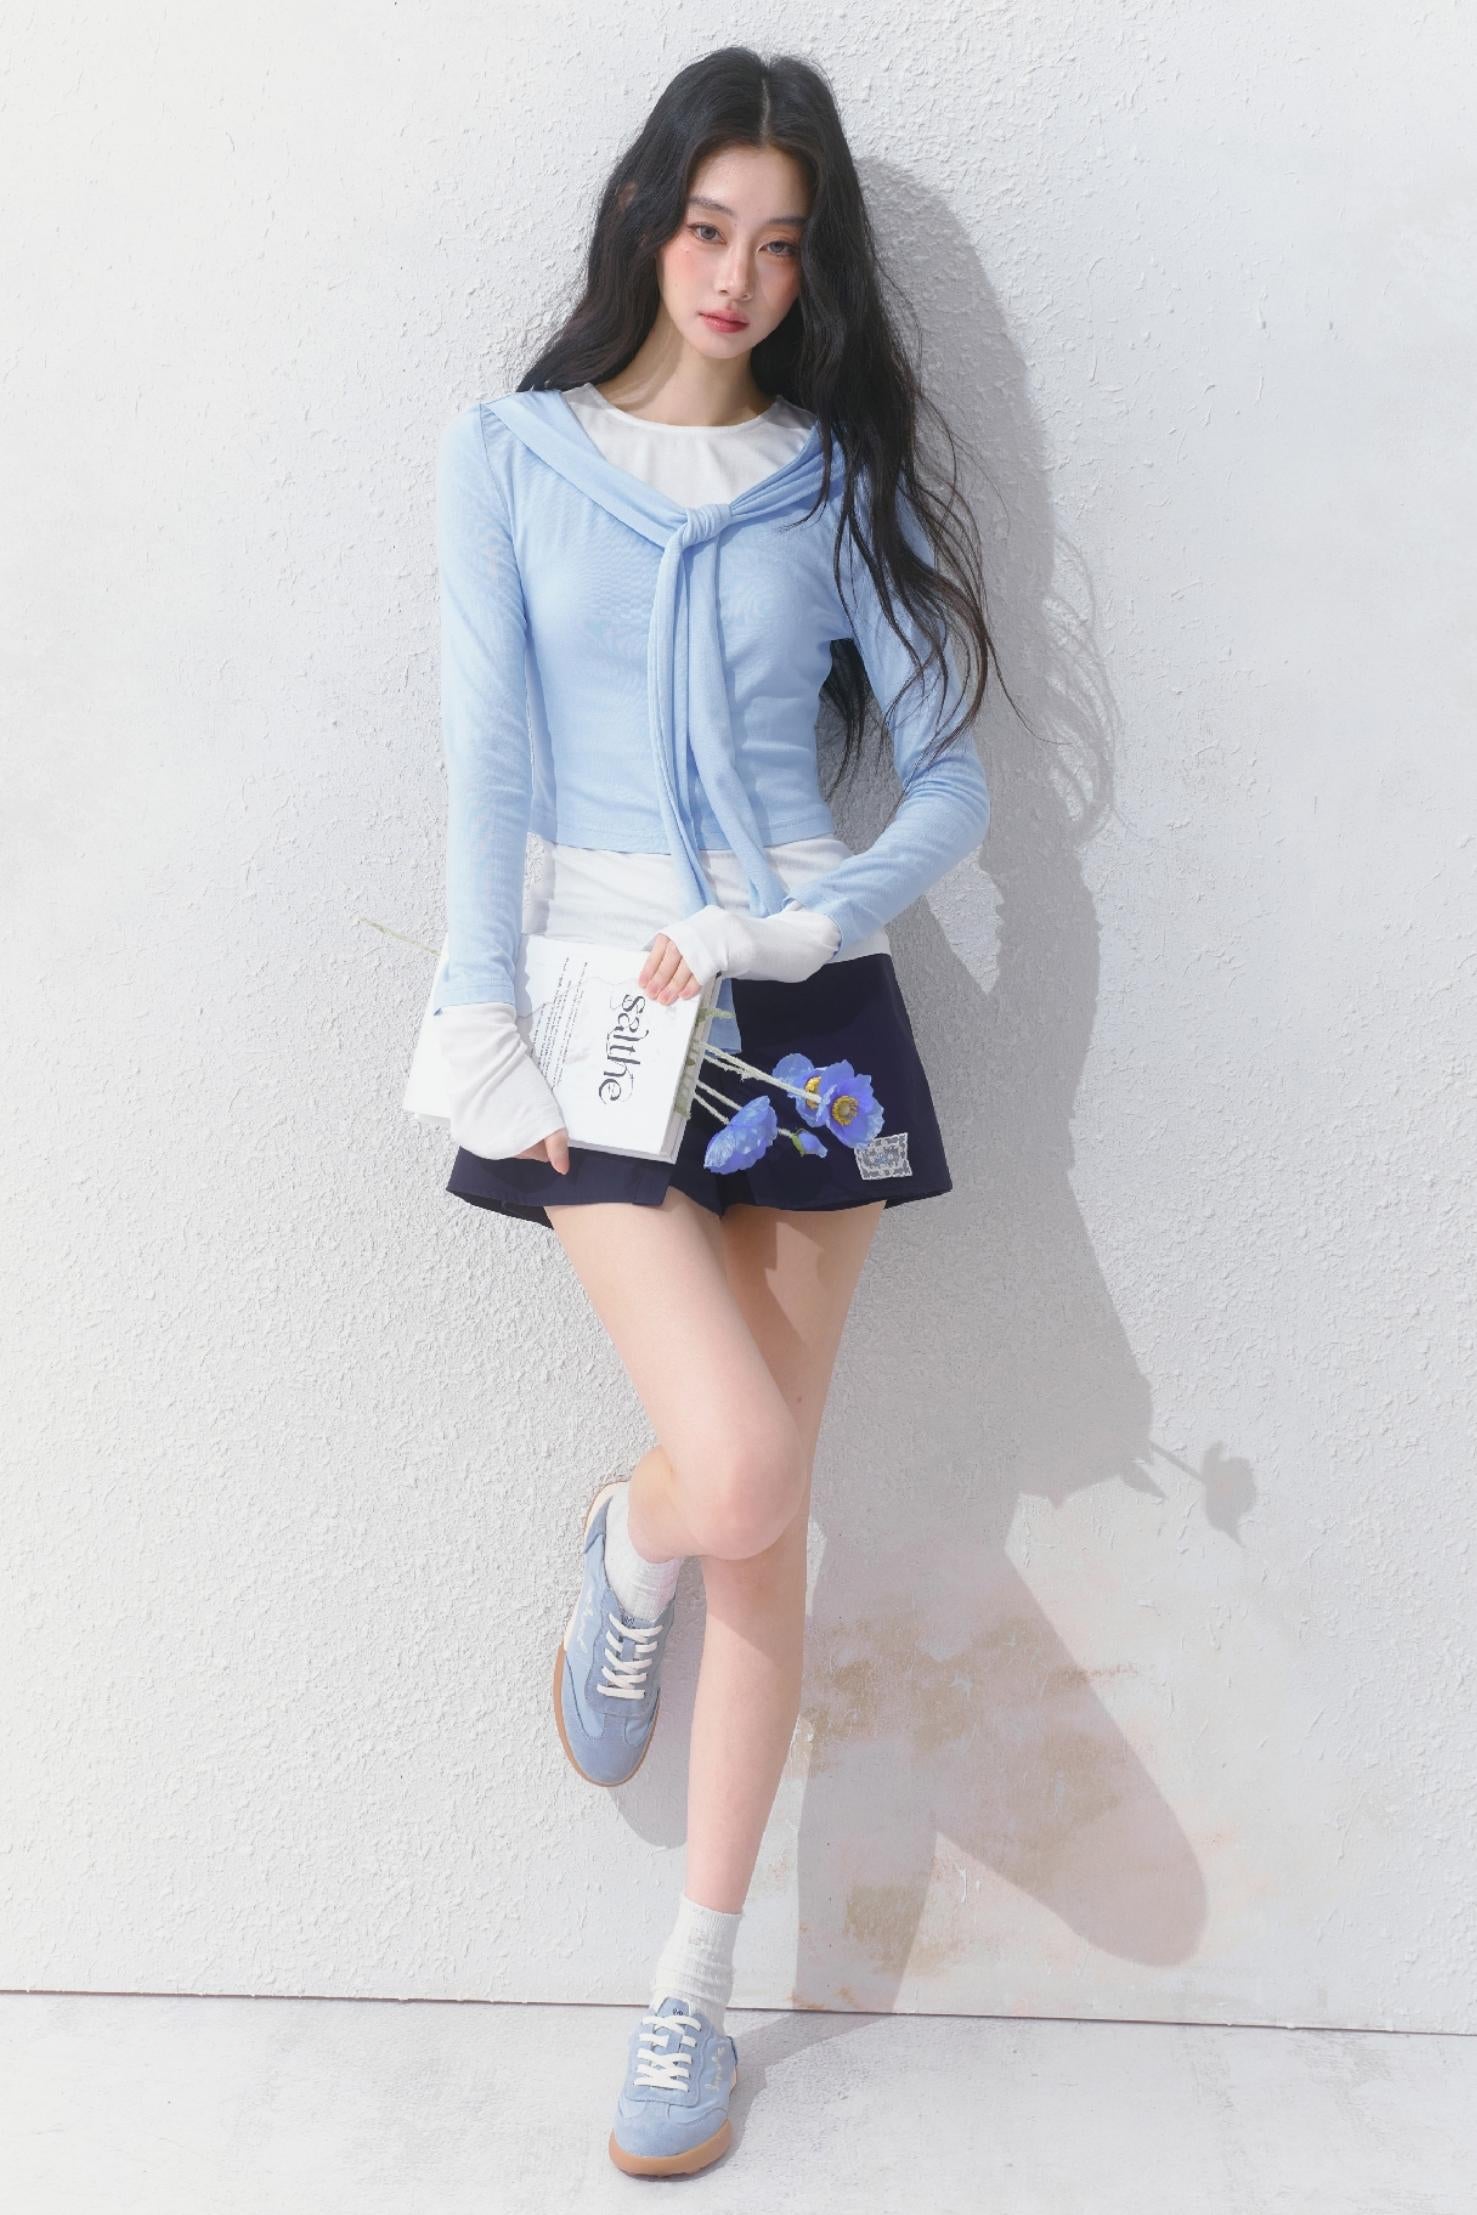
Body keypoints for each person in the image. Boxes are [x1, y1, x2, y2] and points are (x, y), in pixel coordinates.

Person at [430, 45, 1001, 2179]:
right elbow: (486, 754)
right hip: (593, 1005)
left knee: (778, 1505)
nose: (736, 274)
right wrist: (476, 1001)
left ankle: (692, 1987)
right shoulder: (510, 456)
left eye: (776, 242)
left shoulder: (832, 483)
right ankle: (630, 1532)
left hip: (801, 1003)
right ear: (643, 219)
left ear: (807, 264)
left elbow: (944, 776)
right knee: (731, 1469)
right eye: (705, 227)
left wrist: (812, 915)